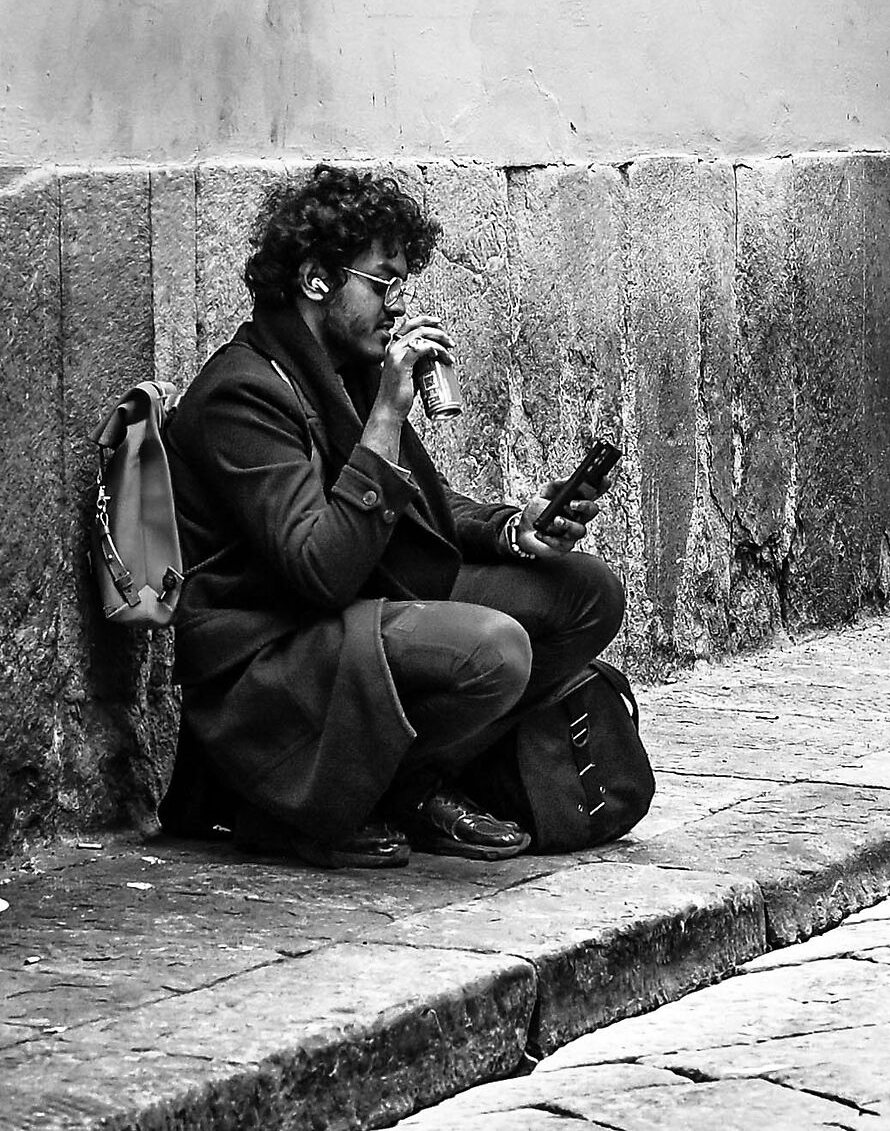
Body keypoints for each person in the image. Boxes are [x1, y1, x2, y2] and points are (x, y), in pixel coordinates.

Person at [162, 167, 625, 869]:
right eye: (381, 284)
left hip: (357, 604)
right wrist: (386, 414)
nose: (397, 305)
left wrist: (509, 526)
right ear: (317, 279)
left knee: (588, 592)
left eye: (401, 285)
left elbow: (414, 511)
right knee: (494, 649)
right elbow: (319, 569)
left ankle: (405, 784)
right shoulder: (240, 395)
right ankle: (288, 803)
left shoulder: (343, 365)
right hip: (276, 660)